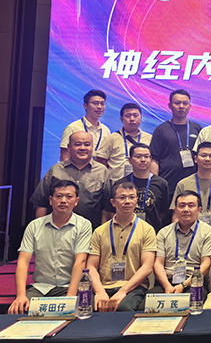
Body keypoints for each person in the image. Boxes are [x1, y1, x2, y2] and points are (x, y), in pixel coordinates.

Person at [9, 180, 92, 314]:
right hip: (41, 288)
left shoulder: (84, 225)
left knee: (79, 312)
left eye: (69, 197)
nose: (63, 200)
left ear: (76, 201)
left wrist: (70, 297)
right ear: (51, 200)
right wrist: (21, 295)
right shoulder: (34, 226)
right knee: (20, 309)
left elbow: (80, 261)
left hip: (69, 287)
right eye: (59, 196)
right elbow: (23, 262)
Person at [87, 182, 156, 311]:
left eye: (132, 197)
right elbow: (91, 266)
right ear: (113, 202)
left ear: (137, 201)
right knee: (87, 307)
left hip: (133, 287)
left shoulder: (147, 230)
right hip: (105, 286)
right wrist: (99, 291)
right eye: (122, 197)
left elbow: (147, 267)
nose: (127, 201)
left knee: (123, 308)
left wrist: (123, 291)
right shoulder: (99, 231)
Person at [30, 131, 110, 229]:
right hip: (55, 230)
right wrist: (40, 230)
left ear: (92, 147)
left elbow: (106, 207)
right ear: (69, 147)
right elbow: (41, 202)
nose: (83, 148)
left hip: (91, 231)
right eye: (77, 144)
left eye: (87, 144)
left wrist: (102, 232)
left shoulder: (102, 171)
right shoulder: (56, 170)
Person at [151, 191, 211, 298]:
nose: (186, 209)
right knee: (147, 305)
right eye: (181, 206)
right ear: (175, 210)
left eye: (191, 205)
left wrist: (183, 285)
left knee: (191, 302)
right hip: (166, 282)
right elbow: (158, 263)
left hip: (193, 283)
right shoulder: (163, 232)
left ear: (199, 209)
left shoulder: (208, 232)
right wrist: (167, 286)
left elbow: (206, 264)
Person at [149, 89, 202, 200]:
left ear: (190, 106)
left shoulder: (197, 129)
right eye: (177, 103)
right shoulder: (161, 130)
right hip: (168, 184)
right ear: (170, 106)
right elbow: (154, 160)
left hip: (194, 185)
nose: (181, 106)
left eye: (185, 103)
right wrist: (156, 185)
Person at [105, 143, 170, 232]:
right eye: (138, 156)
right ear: (130, 160)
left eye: (146, 156)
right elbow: (112, 211)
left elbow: (163, 213)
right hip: (124, 232)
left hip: (153, 232)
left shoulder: (161, 184)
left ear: (151, 159)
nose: (143, 160)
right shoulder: (120, 184)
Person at [170, 142, 211, 231]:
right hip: (188, 236)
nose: (207, 159)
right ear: (195, 159)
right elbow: (176, 214)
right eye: (203, 155)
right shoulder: (183, 184)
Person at [95, 102, 152, 181]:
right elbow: (100, 162)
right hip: (116, 184)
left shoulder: (149, 138)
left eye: (135, 115)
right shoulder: (111, 138)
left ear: (141, 117)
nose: (132, 119)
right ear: (121, 119)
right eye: (128, 116)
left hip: (143, 184)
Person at [60, 89, 110, 161]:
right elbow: (65, 158)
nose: (99, 107)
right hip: (77, 167)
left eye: (102, 104)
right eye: (95, 103)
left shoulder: (106, 130)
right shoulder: (73, 128)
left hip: (98, 167)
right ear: (85, 106)